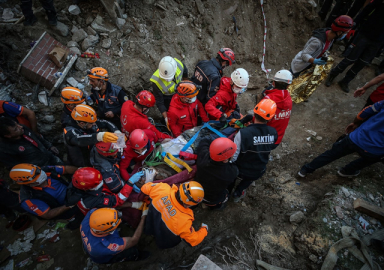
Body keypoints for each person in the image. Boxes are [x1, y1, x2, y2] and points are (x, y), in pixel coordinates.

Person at [298, 100, 384, 178]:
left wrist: (355, 123)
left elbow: (365, 112)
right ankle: (347, 171)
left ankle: (306, 169)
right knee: (368, 160)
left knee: (331, 154)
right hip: (375, 150)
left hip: (357, 137)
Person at [325, 2, 384, 93]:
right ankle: (333, 73)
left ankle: (346, 81)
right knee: (350, 58)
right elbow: (366, 10)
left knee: (362, 63)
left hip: (378, 42)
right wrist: (354, 24)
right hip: (365, 34)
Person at [230, 99, 278, 202]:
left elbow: (234, 156)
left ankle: (229, 190)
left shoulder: (243, 133)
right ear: (270, 118)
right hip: (258, 170)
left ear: (254, 112)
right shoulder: (273, 132)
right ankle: (238, 193)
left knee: (232, 176)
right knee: (247, 181)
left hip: (240, 169)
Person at [9, 163, 83, 229]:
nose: (41, 175)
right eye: (36, 177)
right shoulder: (28, 198)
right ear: (26, 183)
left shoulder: (44, 170)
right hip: (63, 208)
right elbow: (47, 214)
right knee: (77, 219)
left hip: (72, 193)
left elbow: (65, 169)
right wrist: (69, 205)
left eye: (39, 172)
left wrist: (82, 171)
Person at [141, 181, 208, 249]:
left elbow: (144, 187)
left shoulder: (162, 188)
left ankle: (148, 233)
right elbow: (193, 240)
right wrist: (204, 229)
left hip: (150, 223)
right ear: (189, 204)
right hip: (164, 239)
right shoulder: (184, 221)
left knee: (150, 229)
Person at [80, 207, 149, 264]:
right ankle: (136, 256)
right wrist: (143, 217)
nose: (121, 221)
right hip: (103, 255)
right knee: (130, 252)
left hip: (90, 241)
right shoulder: (106, 245)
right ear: (106, 231)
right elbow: (134, 240)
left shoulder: (90, 216)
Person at [66, 167, 145, 215]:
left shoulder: (79, 179)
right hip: (98, 213)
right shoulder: (92, 200)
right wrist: (130, 183)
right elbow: (117, 201)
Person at [195, 137, 238, 210]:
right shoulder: (232, 172)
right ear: (225, 160)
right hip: (213, 197)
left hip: (198, 190)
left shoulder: (203, 158)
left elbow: (204, 140)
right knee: (222, 198)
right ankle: (215, 206)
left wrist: (217, 144)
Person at [150, 56, 188, 124]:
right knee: (171, 112)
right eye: (165, 78)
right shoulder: (156, 82)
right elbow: (159, 102)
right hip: (167, 98)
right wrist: (166, 118)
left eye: (169, 77)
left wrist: (186, 87)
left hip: (179, 90)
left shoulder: (179, 65)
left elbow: (185, 74)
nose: (167, 80)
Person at [260, 70, 293, 148]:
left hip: (263, 139)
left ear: (273, 83)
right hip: (277, 139)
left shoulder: (268, 100)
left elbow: (258, 120)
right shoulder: (289, 99)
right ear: (288, 86)